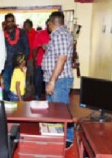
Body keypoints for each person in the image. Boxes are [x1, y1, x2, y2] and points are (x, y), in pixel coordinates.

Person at [42, 11, 74, 149]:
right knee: (53, 110)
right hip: (54, 78)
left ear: (51, 23)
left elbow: (61, 59)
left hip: (59, 80)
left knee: (61, 110)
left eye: (48, 24)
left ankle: (68, 138)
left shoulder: (60, 35)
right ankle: (56, 134)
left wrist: (52, 81)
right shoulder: (57, 35)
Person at [2, 13, 30, 101]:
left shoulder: (21, 32)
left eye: (12, 21)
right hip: (6, 64)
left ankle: (18, 106)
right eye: (8, 21)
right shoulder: (1, 34)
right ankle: (6, 104)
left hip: (18, 64)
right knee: (7, 86)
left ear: (14, 22)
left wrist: (24, 61)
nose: (10, 23)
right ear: (5, 22)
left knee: (19, 86)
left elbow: (26, 47)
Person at [32, 19, 50, 100]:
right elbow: (35, 48)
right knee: (38, 80)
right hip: (40, 62)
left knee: (49, 81)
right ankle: (37, 96)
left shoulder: (56, 34)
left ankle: (49, 98)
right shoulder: (40, 34)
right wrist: (34, 60)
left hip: (51, 64)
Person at [23, 19, 37, 99]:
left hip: (32, 58)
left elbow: (35, 47)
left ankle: (30, 92)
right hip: (25, 58)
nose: (24, 27)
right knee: (25, 76)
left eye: (25, 25)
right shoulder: (24, 34)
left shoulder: (35, 34)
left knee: (30, 76)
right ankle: (28, 91)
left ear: (29, 26)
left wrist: (35, 59)